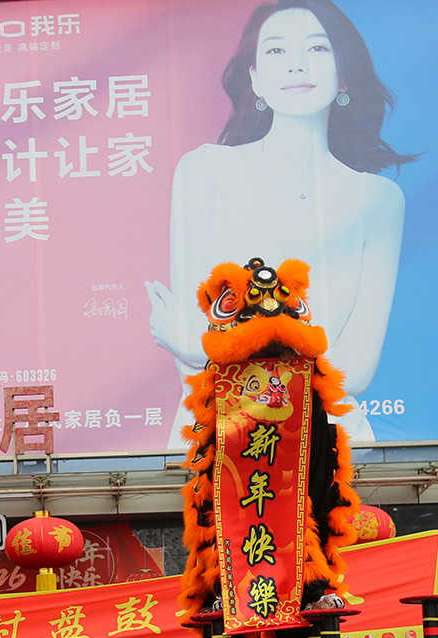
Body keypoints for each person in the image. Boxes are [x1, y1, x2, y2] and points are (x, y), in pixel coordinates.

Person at [148, 0, 409, 446]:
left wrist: (218, 346)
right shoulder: (204, 172)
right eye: (275, 51)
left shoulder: (378, 200)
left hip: (328, 443)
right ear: (254, 78)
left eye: (317, 48)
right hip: (220, 438)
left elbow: (355, 370)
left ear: (344, 74)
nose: (296, 65)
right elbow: (191, 332)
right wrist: (207, 345)